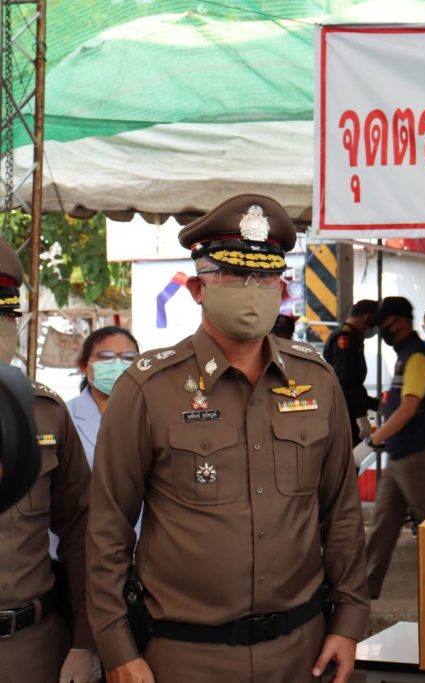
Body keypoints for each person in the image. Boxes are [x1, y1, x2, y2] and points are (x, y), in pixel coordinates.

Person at [86, 195, 369, 683]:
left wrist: (348, 621)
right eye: (234, 275)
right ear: (198, 288)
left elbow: (341, 513)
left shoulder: (317, 381)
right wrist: (117, 649)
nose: (252, 290)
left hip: (301, 651)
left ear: (281, 286)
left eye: (265, 277)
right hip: (185, 657)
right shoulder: (148, 388)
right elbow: (108, 530)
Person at [0, 238, 100, 683]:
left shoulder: (45, 412)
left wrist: (85, 641)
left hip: (31, 648)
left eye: (3, 316)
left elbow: (83, 528)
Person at [363, 296, 425, 599]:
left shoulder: (416, 357)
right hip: (401, 456)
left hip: (417, 457)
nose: (383, 331)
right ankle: (362, 592)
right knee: (382, 526)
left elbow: (408, 408)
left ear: (399, 321)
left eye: (385, 324)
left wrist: (374, 439)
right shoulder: (404, 355)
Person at [68, 326, 141, 465]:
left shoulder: (152, 414)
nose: (118, 365)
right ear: (84, 365)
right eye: (106, 357)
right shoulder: (65, 414)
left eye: (129, 358)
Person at [323, 299, 378, 442]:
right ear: (367, 317)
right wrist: (360, 415)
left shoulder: (353, 337)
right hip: (345, 411)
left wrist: (376, 405)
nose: (371, 330)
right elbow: (346, 380)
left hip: (349, 409)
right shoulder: (345, 338)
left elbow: (354, 384)